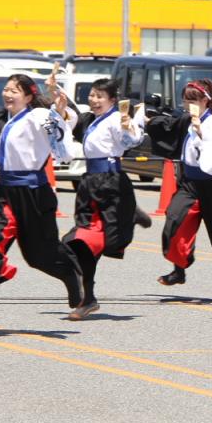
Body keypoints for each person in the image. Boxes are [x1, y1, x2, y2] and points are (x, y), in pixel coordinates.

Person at [0, 74, 85, 326]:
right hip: (4, 192)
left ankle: (71, 275)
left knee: (39, 255)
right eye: (6, 89)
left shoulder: (39, 116)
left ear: (28, 96)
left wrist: (59, 113)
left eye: (15, 90)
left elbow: (61, 142)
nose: (8, 94)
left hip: (33, 192)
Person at [146, 80, 212, 302]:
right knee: (175, 218)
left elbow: (210, 158)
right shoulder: (186, 121)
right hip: (190, 182)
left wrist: (202, 134)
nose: (188, 104)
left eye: (192, 100)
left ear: (205, 101)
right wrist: (148, 120)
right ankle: (179, 269)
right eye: (186, 100)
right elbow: (167, 128)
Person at [61, 79, 150, 320]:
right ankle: (88, 298)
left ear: (112, 100)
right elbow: (71, 118)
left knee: (98, 242)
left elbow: (132, 141)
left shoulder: (116, 118)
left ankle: (128, 215)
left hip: (110, 182)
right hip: (90, 182)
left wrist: (130, 125)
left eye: (100, 96)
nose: (94, 100)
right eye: (92, 95)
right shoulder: (94, 119)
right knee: (82, 242)